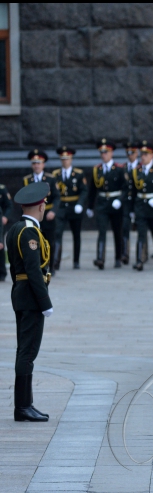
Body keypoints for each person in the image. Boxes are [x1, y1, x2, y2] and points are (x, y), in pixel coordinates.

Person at [6, 181, 53, 422]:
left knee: (24, 351)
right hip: (31, 298)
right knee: (27, 352)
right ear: (41, 206)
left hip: (21, 295)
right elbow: (34, 270)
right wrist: (45, 302)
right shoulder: (29, 232)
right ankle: (23, 406)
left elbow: (16, 270)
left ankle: (25, 405)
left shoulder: (16, 228)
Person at [87, 139, 127, 270]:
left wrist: (119, 200)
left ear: (112, 153)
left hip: (116, 203)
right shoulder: (96, 170)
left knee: (117, 231)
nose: (104, 155)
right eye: (102, 152)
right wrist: (90, 207)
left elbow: (126, 187)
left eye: (106, 152)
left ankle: (118, 258)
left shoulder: (120, 169)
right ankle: (100, 258)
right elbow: (92, 189)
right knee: (102, 231)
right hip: (102, 203)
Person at [23, 150, 60, 276]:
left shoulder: (50, 179)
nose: (36, 165)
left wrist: (53, 211)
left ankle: (51, 265)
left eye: (39, 163)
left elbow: (56, 197)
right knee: (33, 241)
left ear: (43, 164)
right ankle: (37, 265)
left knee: (49, 240)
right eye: (34, 163)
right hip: (33, 216)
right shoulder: (27, 180)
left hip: (47, 214)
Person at [131, 141, 153, 271]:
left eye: (146, 154)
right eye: (142, 154)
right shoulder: (136, 171)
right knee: (141, 234)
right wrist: (131, 210)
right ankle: (139, 260)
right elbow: (133, 192)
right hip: (140, 206)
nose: (143, 157)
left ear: (152, 156)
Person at [52, 146, 87, 271]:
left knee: (76, 234)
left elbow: (84, 190)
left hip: (74, 207)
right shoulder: (56, 174)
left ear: (71, 159)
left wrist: (80, 203)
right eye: (63, 158)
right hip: (61, 207)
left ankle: (76, 261)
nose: (65, 161)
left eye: (67, 158)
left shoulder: (78, 173)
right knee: (57, 233)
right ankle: (56, 260)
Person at [122, 141, 140, 266]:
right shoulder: (122, 168)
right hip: (126, 202)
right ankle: (125, 254)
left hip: (139, 201)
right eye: (128, 152)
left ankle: (141, 254)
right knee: (125, 228)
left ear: (137, 153)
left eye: (132, 152)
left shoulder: (141, 167)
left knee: (141, 229)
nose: (130, 155)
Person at [0, 182, 12, 282]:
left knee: (0, 245)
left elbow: (8, 205)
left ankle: (2, 272)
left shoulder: (2, 189)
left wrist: (5, 217)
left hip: (0, 222)